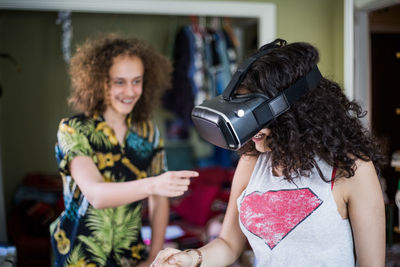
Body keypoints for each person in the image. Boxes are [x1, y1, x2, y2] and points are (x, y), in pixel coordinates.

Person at [151, 39, 386, 267]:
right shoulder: (252, 161)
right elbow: (228, 244)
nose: (249, 127)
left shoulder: (351, 169)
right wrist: (191, 258)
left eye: (257, 114)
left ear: (298, 113)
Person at [50, 34, 199, 267]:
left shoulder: (147, 130)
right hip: (80, 254)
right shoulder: (72, 129)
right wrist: (154, 184)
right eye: (119, 82)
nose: (130, 92)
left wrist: (154, 256)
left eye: (136, 81)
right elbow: (96, 195)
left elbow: (159, 202)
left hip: (131, 255)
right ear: (99, 82)